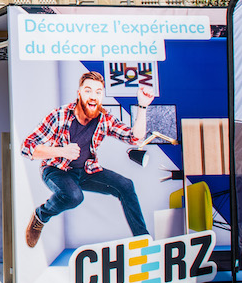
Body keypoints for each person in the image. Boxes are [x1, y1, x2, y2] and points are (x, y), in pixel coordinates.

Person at [22, 71, 154, 248]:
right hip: (56, 169)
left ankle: (143, 241)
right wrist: (61, 151)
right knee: (74, 196)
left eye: (98, 92)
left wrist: (143, 107)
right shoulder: (60, 115)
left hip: (86, 171)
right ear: (79, 93)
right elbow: (27, 147)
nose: (93, 96)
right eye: (88, 91)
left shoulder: (103, 118)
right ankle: (40, 215)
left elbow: (134, 138)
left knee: (126, 185)